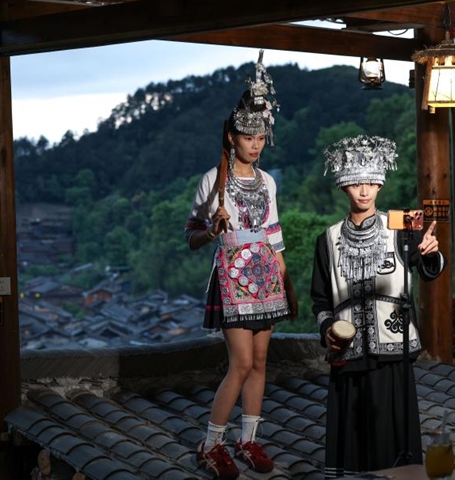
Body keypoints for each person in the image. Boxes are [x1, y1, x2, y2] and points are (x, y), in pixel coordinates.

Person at [184, 50, 298, 480]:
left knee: (263, 361)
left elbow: (273, 234)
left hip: (267, 274)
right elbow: (192, 236)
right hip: (232, 276)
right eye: (247, 136)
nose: (255, 143)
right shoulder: (212, 180)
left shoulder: (268, 181)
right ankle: (210, 444)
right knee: (242, 363)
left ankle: (248, 438)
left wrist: (287, 283)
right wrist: (213, 231)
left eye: (261, 137)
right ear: (231, 136)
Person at [311, 135, 446, 478]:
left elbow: (428, 268)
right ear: (344, 187)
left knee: (394, 445)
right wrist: (328, 331)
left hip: (393, 354)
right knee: (353, 449)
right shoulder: (326, 240)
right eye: (356, 183)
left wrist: (431, 253)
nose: (365, 190)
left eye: (371, 182)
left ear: (381, 184)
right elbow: (321, 301)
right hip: (347, 354)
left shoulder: (400, 226)